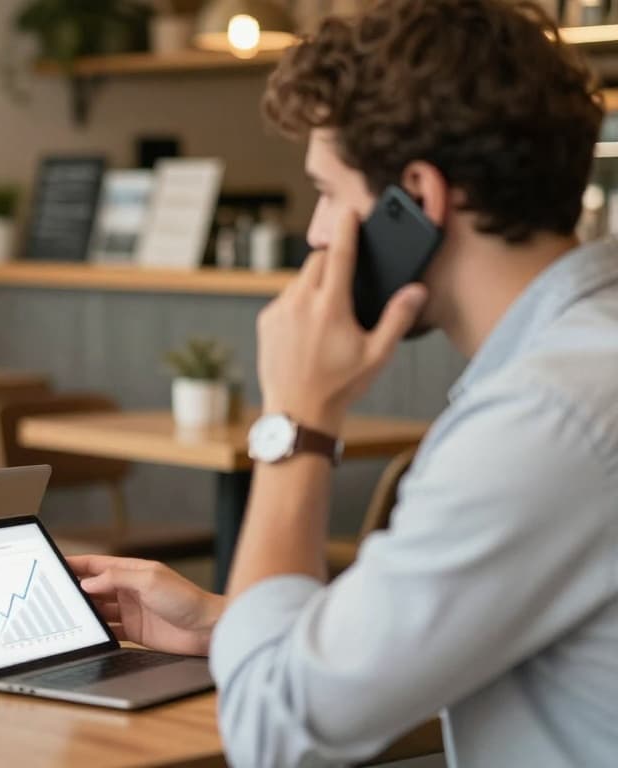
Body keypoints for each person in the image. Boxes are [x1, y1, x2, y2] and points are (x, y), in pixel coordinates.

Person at [70, 1, 618, 765]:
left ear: (416, 202)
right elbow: (435, 629)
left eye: (327, 191)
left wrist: (296, 420)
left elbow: (273, 735)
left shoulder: (543, 418)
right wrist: (232, 623)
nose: (318, 233)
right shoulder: (581, 368)